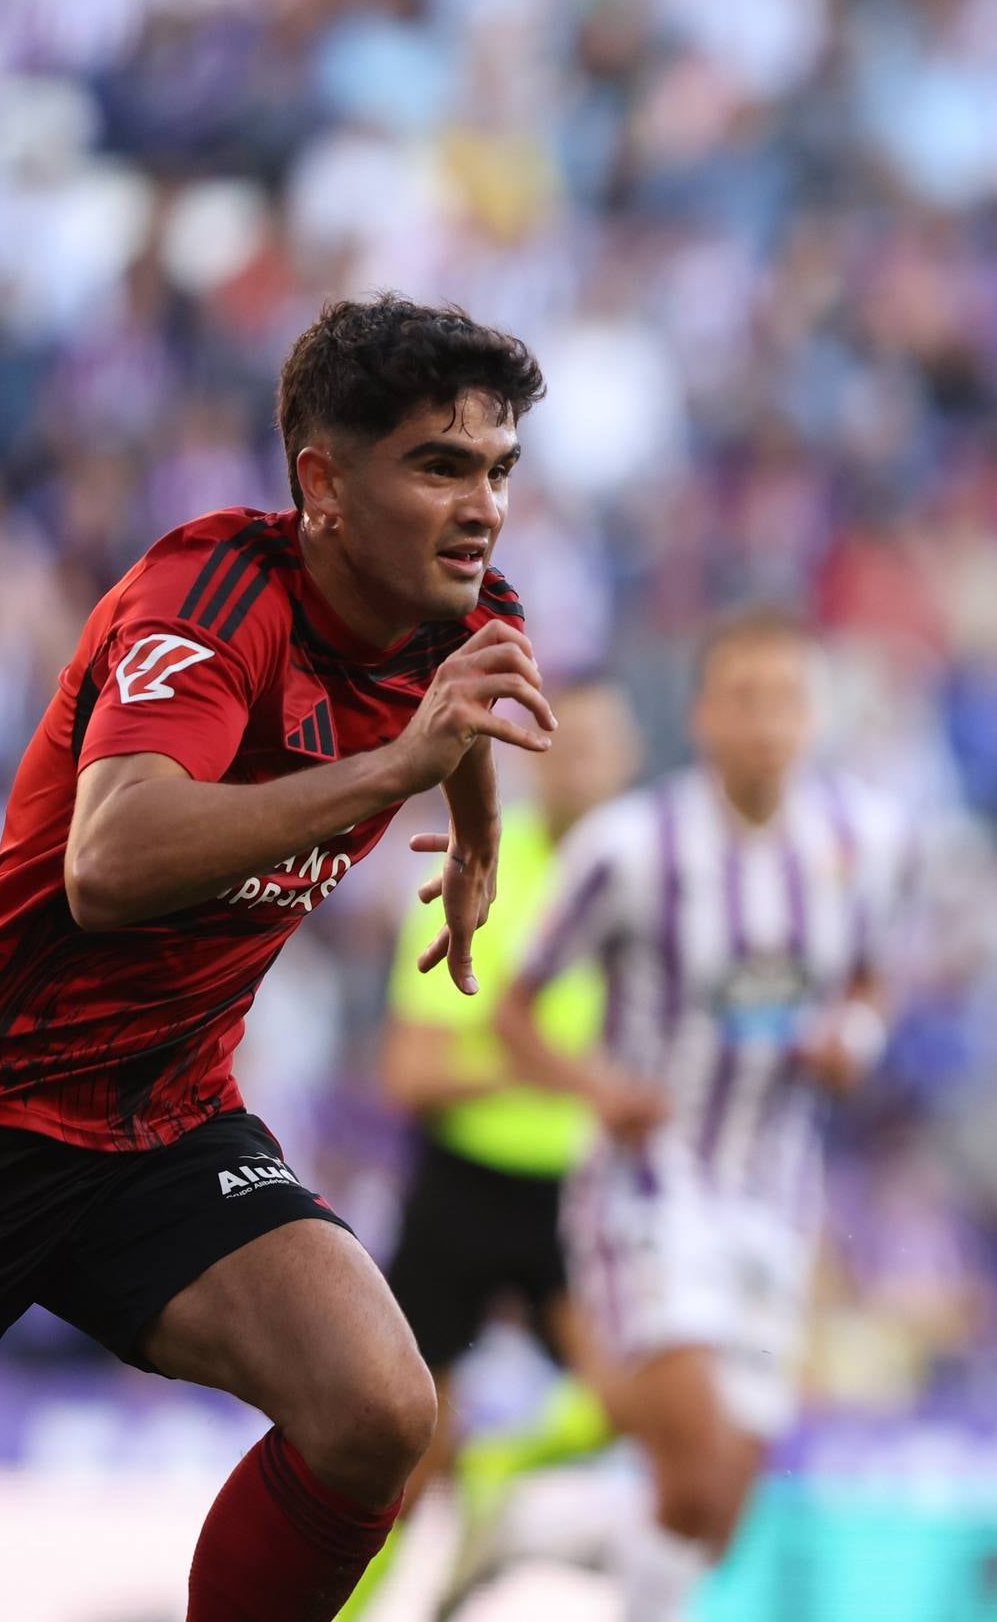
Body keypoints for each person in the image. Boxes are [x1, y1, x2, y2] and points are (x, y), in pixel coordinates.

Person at [0, 296, 553, 1622]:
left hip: (162, 1117)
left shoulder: (459, 607)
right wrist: (397, 768)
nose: (483, 507)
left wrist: (474, 842)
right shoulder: (211, 599)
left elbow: (478, 690)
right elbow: (107, 866)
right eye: (440, 466)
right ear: (323, 485)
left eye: (499, 469)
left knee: (376, 1409)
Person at [493, 610, 906, 1622]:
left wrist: (851, 1042)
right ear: (704, 716)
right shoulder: (631, 849)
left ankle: (545, 1535)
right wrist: (600, 1092)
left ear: (811, 717)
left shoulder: (866, 841)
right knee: (699, 1457)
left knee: (710, 1505)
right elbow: (513, 1007)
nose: (765, 724)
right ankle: (543, 1524)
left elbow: (869, 982)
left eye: (785, 700)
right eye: (744, 700)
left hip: (775, 1198)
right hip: (652, 1186)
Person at [337, 680, 643, 1622]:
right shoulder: (476, 871)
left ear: (630, 762)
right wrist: (559, 1072)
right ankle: (353, 1609)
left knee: (629, 1405)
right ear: (526, 762)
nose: (583, 766)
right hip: (463, 1186)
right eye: (565, 746)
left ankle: (497, 1468)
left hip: (580, 1193)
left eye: (601, 747)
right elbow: (408, 1072)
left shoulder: (651, 883)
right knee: (403, 1450)